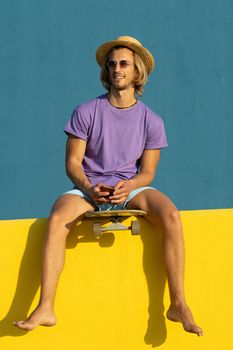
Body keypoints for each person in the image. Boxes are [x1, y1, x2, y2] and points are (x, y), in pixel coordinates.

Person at [14, 36, 203, 336]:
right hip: (90, 188)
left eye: (124, 64)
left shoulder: (152, 120)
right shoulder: (86, 111)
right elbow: (73, 164)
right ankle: (46, 306)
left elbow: (148, 172)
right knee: (59, 215)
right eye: (112, 64)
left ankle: (178, 303)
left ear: (137, 72)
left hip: (130, 187)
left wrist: (129, 186)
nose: (117, 69)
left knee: (170, 215)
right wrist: (89, 188)